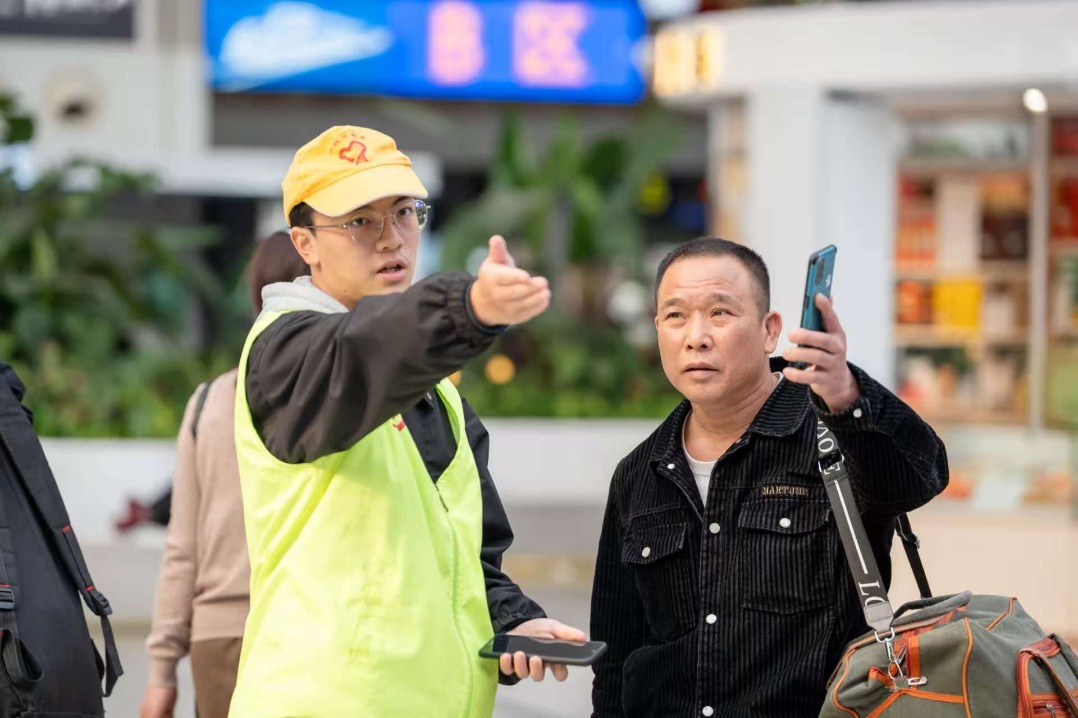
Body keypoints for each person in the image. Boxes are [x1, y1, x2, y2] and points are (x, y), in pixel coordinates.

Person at [228, 126, 584, 717]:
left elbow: (464, 557)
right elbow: (362, 351)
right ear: (305, 243)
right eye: (359, 222)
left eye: (404, 213)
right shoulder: (287, 353)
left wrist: (519, 622)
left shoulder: (438, 391)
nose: (392, 238)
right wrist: (467, 308)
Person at [590, 237, 949, 717]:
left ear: (769, 330)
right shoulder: (640, 473)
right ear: (658, 329)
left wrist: (846, 396)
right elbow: (615, 659)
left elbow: (921, 476)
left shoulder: (829, 436)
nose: (696, 336)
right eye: (676, 316)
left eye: (720, 313)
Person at [139, 231, 310, 718]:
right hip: (304, 631)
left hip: (219, 639)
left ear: (258, 296)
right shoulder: (339, 399)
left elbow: (182, 548)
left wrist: (161, 672)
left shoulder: (208, 401)